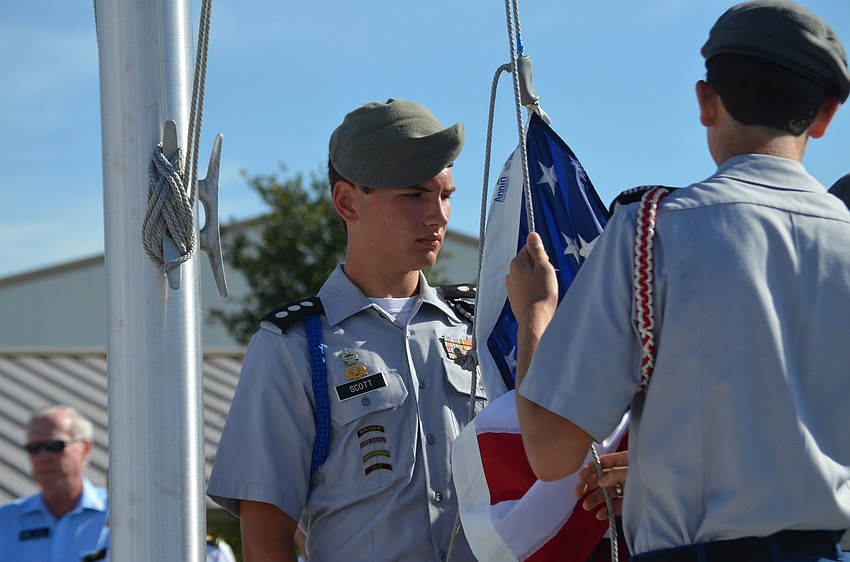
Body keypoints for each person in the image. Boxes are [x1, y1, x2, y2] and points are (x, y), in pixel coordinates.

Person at [506, 1, 850, 561]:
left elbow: (550, 451)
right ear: (826, 115)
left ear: (706, 101)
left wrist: (534, 318)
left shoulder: (652, 232)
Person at [207, 98, 485, 562]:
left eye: (446, 195)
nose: (437, 215)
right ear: (347, 202)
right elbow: (264, 539)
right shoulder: (295, 346)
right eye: (414, 195)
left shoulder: (479, 326)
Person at [0, 406, 109, 562]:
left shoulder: (120, 514)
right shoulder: (5, 521)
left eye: (54, 446)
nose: (43, 457)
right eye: (33, 448)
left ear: (85, 448)